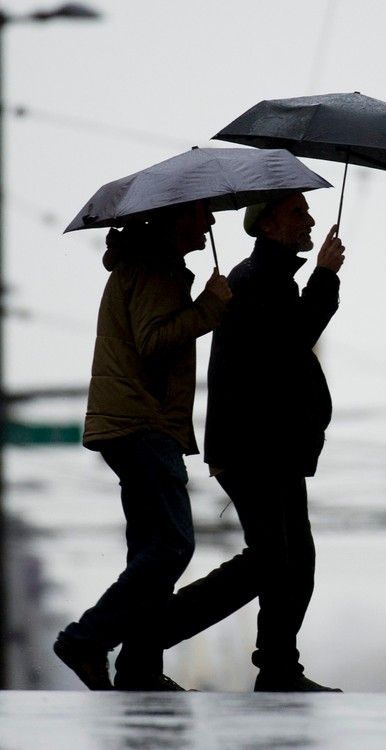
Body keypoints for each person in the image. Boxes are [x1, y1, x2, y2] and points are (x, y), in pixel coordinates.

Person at [54, 200, 232, 691]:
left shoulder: (150, 266)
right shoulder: (156, 270)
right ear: (177, 218)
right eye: (202, 214)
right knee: (174, 543)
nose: (211, 222)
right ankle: (86, 639)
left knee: (149, 551)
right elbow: (154, 341)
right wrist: (211, 306)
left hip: (133, 423)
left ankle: (139, 667)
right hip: (144, 424)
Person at [203, 192, 345, 692]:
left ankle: (279, 664)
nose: (309, 220)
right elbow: (293, 339)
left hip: (272, 447)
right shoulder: (256, 280)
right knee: (272, 561)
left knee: (290, 562)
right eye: (297, 212)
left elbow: (289, 341)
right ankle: (150, 635)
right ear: (266, 224)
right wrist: (324, 275)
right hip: (254, 448)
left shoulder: (272, 277)